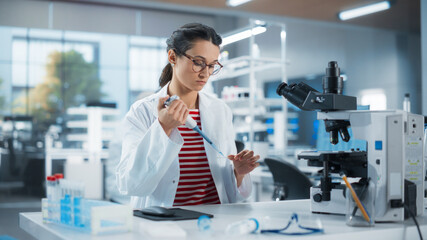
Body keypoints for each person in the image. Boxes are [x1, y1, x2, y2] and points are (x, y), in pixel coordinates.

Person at [116, 23, 260, 209]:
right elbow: (129, 184)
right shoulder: (142, 111)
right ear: (172, 57)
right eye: (198, 62)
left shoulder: (220, 110)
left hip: (215, 220)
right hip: (165, 223)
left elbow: (226, 185)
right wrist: (164, 127)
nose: (205, 73)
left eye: (212, 65)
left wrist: (238, 173)